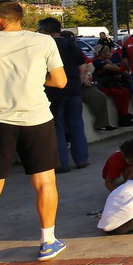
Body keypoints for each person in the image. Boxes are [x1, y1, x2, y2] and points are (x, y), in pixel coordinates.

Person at [0, 0, 69, 265]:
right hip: (37, 119)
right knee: (44, 182)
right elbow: (60, 81)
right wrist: (32, 79)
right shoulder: (43, 42)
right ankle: (48, 242)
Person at [37, 18, 89, 173]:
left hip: (53, 93)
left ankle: (61, 163)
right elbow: (83, 67)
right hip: (73, 90)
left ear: (44, 31)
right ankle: (82, 159)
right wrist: (77, 85)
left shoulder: (43, 47)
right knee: (77, 124)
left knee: (57, 128)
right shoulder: (71, 45)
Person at [92, 44, 133, 126]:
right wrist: (125, 65)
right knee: (119, 92)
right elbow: (115, 69)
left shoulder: (106, 61)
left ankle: (123, 114)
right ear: (102, 54)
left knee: (126, 91)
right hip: (101, 85)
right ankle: (122, 115)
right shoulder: (97, 61)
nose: (110, 53)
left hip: (109, 83)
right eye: (107, 52)